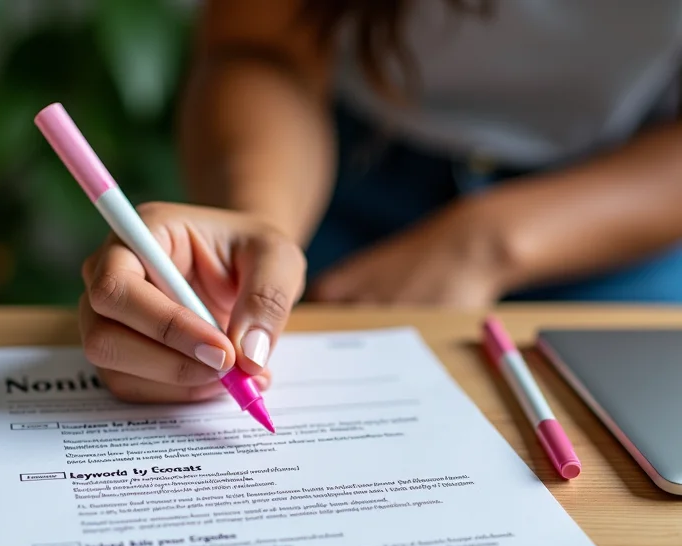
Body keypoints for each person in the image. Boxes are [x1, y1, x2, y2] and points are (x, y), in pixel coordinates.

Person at [80, 0, 682, 403]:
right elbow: (263, 49)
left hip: (626, 199)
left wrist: (491, 240)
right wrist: (259, 222)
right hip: (325, 171)